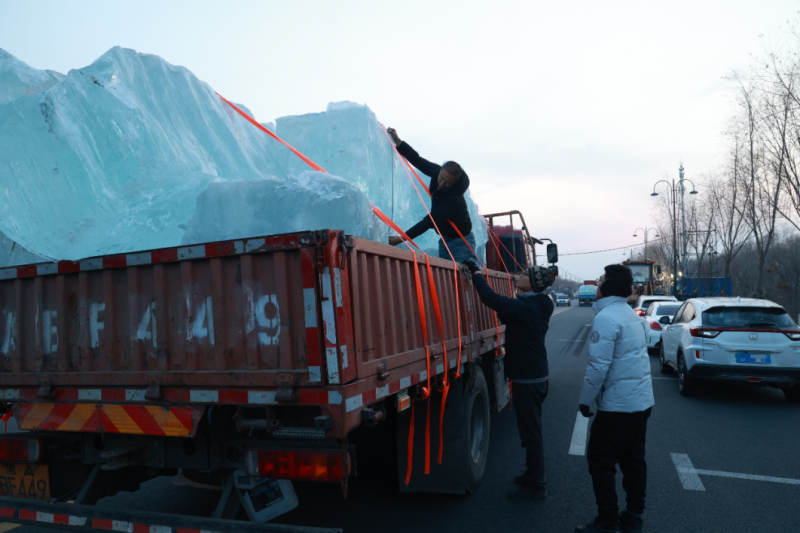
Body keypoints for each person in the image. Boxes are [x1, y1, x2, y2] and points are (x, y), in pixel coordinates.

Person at [464, 261, 555, 499]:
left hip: (529, 378)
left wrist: (476, 274)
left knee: (531, 433)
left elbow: (491, 300)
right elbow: (507, 314)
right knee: (530, 430)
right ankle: (532, 474)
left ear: (534, 283)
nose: (520, 276)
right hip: (535, 375)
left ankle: (537, 484)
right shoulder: (540, 304)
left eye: (526, 275)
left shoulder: (527, 306)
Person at [576, 264, 655, 533]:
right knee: (633, 461)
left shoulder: (606, 318)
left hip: (618, 406)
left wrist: (585, 401)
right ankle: (633, 517)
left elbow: (598, 366)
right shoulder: (632, 315)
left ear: (608, 287)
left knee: (600, 460)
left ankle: (608, 520)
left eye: (600, 281)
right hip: (641, 402)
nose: (597, 285)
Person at [386, 127, 477, 263]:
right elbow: (418, 160)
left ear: (456, 181)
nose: (442, 183)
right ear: (440, 171)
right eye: (441, 178)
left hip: (461, 244)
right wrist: (398, 141)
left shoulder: (454, 199)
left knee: (462, 275)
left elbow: (430, 221)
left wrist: (402, 238)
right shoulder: (436, 171)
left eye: (448, 182)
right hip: (445, 240)